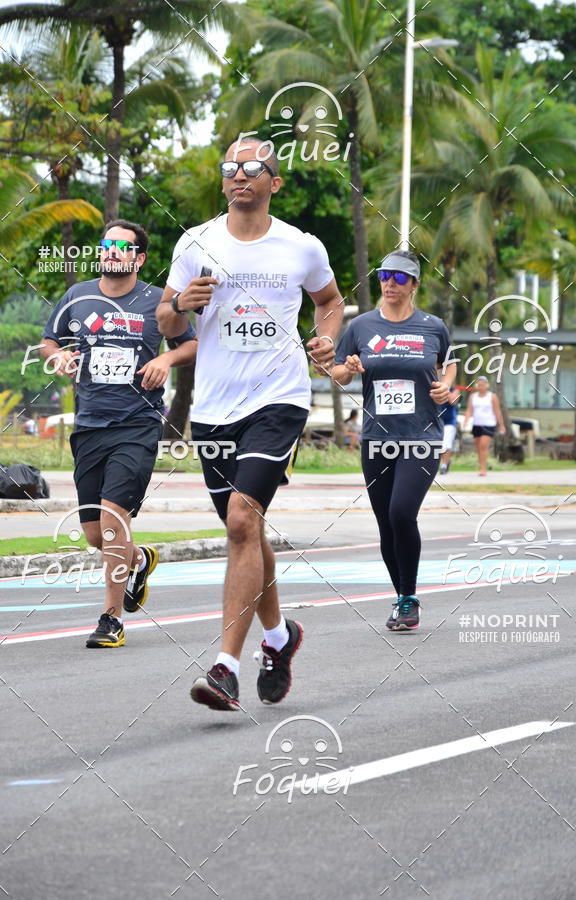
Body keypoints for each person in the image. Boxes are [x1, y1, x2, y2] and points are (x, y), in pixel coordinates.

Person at [157, 137, 344, 711]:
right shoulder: (196, 242)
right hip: (213, 408)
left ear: (273, 182)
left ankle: (224, 667)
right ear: (223, 182)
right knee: (247, 532)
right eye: (231, 168)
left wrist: (327, 339)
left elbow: (330, 301)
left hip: (278, 399)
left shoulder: (300, 247)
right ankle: (281, 638)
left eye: (253, 168)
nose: (241, 176)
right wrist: (182, 304)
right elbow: (165, 320)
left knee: (241, 520)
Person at [40, 219, 197, 648]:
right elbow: (49, 341)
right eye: (106, 244)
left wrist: (166, 361)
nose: (110, 251)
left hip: (138, 423)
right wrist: (58, 359)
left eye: (120, 246)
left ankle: (110, 619)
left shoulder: (155, 302)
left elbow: (192, 343)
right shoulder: (77, 296)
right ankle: (140, 559)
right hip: (89, 424)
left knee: (113, 518)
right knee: (95, 533)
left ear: (138, 257)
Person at [330, 250, 456, 632]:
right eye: (385, 275)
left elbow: (449, 363)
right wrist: (347, 368)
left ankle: (410, 596)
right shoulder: (362, 326)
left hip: (421, 437)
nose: (390, 283)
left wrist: (446, 387)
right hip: (376, 439)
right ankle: (402, 598)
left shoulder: (433, 326)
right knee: (386, 523)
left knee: (402, 512)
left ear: (415, 285)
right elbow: (337, 374)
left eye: (400, 278)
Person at [462, 375, 505, 476]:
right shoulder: (473, 397)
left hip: (489, 424)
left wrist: (501, 425)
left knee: (483, 446)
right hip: (477, 424)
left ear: (487, 385)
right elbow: (469, 410)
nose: (480, 387)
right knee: (478, 447)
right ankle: (481, 466)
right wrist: (466, 420)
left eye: (482, 385)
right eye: (479, 385)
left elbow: (497, 411)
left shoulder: (492, 397)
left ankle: (483, 469)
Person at [439, 386, 461, 474]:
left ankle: (443, 466)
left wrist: (444, 388)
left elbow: (453, 401)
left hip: (449, 422)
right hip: (435, 422)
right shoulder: (432, 387)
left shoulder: (455, 390)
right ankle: (446, 461)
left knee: (446, 444)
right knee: (438, 445)